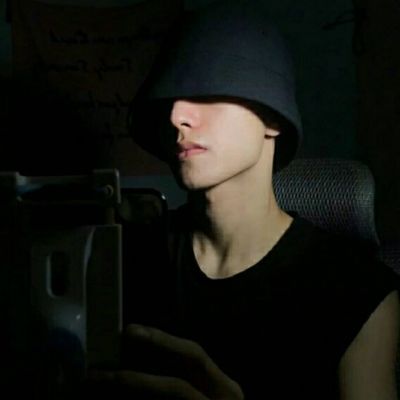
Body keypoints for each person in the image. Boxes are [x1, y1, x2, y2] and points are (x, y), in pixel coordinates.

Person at [88, 1, 400, 399]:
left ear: (272, 119)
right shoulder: (123, 260)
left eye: (207, 92)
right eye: (169, 100)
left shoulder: (355, 291)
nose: (177, 115)